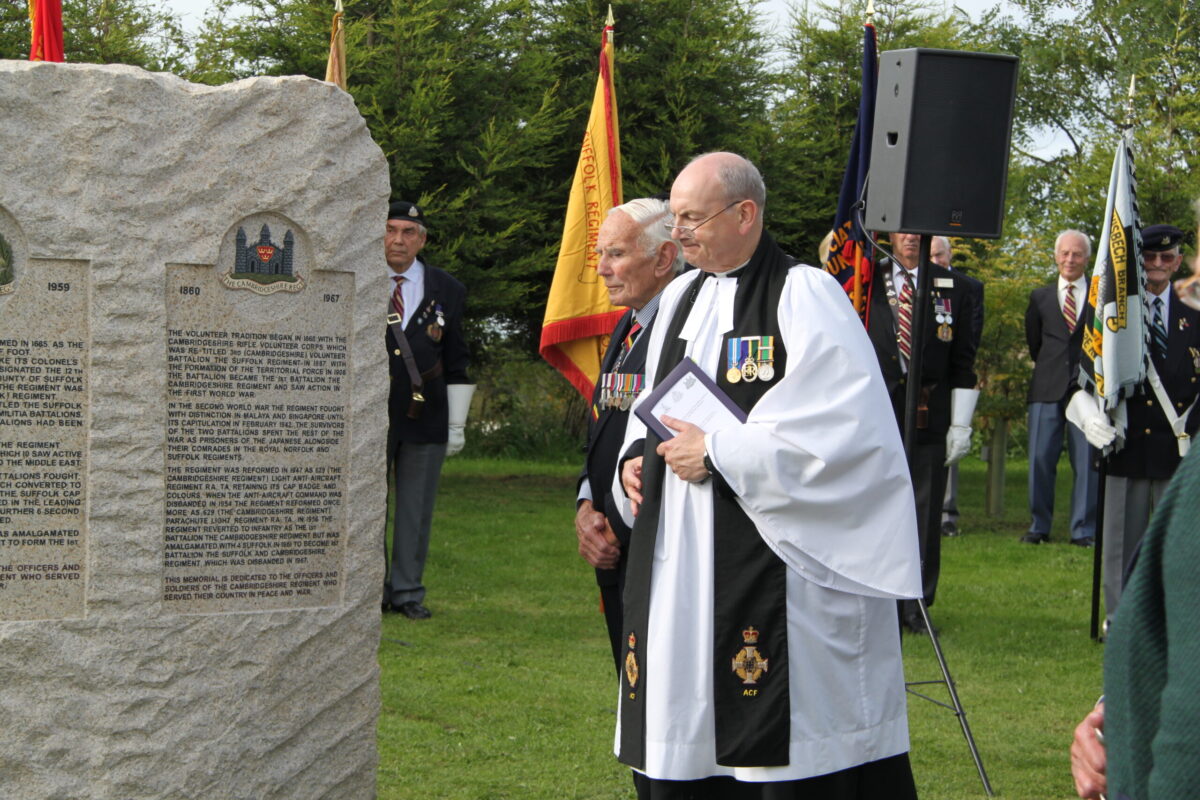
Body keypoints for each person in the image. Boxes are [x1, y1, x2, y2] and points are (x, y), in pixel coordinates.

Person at [614, 152, 922, 799]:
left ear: (745, 214)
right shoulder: (676, 300)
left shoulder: (806, 295)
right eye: (675, 218)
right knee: (687, 729)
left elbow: (844, 436)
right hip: (681, 567)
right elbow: (652, 411)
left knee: (774, 740)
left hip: (774, 562)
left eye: (692, 218)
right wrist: (634, 461)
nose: (679, 234)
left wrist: (720, 451)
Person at [1070, 224, 1200, 621]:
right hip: (1125, 443)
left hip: (1179, 450)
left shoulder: (1194, 316)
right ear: (1136, 262)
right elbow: (1073, 375)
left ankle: (1173, 620)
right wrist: (1088, 416)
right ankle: (1122, 621)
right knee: (1120, 545)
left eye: (1166, 257)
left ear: (1178, 263)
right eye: (1149, 257)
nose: (1158, 264)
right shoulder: (1110, 311)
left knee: (1179, 544)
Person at [576, 197, 684, 674]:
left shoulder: (684, 327)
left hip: (655, 545)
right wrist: (587, 507)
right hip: (612, 540)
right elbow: (604, 425)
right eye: (601, 254)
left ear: (663, 258)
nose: (602, 269)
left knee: (659, 692)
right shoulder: (630, 324)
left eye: (616, 253)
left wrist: (621, 523)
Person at [866, 230, 980, 633]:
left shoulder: (958, 288)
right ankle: (875, 597)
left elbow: (965, 362)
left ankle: (916, 603)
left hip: (928, 411)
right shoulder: (863, 282)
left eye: (918, 230)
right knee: (874, 504)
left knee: (925, 509)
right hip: (874, 410)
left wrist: (961, 423)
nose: (910, 237)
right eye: (903, 229)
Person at [383, 200, 473, 619]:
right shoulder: (358, 281)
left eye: (409, 232)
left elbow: (457, 359)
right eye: (391, 229)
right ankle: (366, 589)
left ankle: (406, 592)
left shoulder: (447, 288)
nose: (399, 240)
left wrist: (457, 424)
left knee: (416, 509)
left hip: (425, 411)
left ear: (422, 239)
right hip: (366, 417)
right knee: (363, 506)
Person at [1022, 230, 1099, 546]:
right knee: (1040, 459)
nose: (1070, 259)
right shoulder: (1039, 297)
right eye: (1065, 253)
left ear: (1087, 258)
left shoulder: (1100, 295)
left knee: (1086, 462)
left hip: (1087, 388)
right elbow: (1034, 343)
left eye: (1077, 254)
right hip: (1046, 389)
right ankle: (1039, 526)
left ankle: (1083, 530)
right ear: (1056, 256)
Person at [931, 236, 985, 538]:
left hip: (953, 378)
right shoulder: (920, 284)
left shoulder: (966, 287)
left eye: (940, 255)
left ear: (949, 256)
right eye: (933, 255)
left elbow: (970, 335)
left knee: (950, 448)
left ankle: (947, 512)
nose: (936, 261)